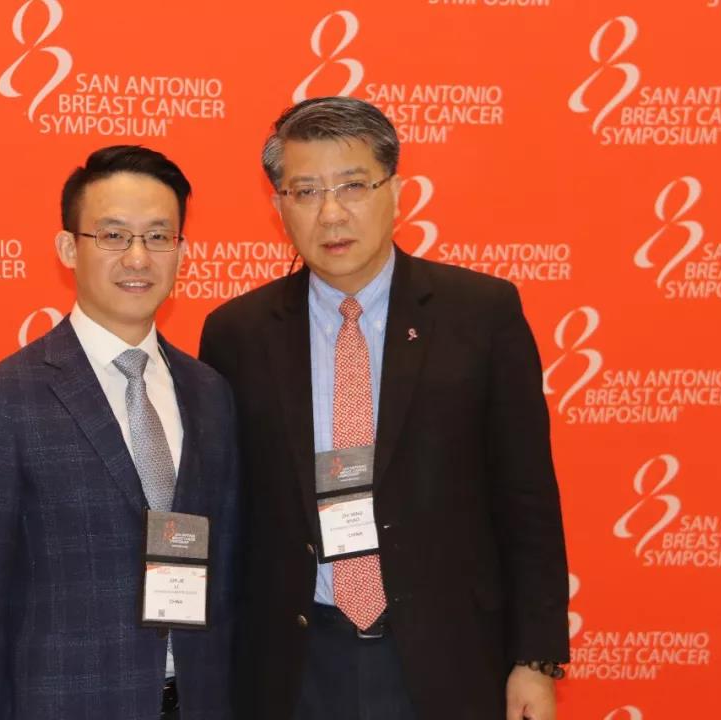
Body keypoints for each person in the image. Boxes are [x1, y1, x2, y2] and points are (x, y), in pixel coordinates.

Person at [199, 97, 569, 720]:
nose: (331, 213)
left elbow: (526, 497)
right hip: (295, 660)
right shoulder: (237, 333)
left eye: (353, 186)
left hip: (446, 654)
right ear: (279, 206)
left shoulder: (481, 315)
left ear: (396, 192)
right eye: (306, 192)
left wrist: (535, 659)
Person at [0, 145, 239, 720]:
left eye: (158, 237)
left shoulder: (210, 393)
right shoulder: (4, 397)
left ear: (181, 252)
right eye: (113, 235)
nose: (137, 258)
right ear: (69, 248)